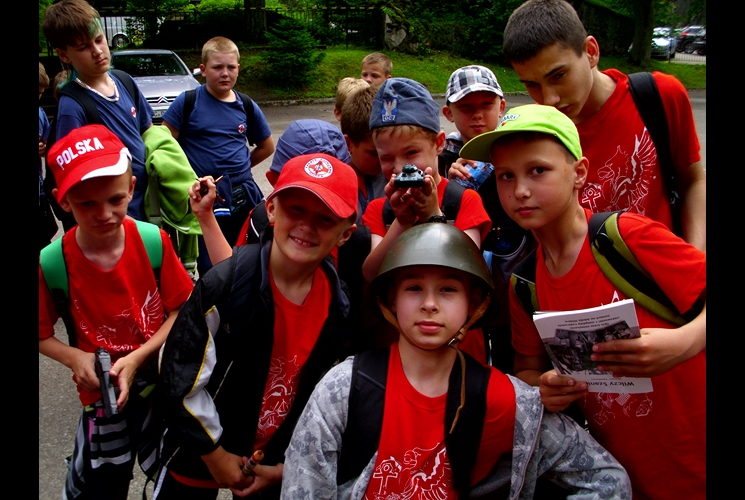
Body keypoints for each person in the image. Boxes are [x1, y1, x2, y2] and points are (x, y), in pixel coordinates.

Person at [459, 103, 706, 500]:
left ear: (579, 173)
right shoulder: (525, 284)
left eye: (538, 170)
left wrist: (683, 342)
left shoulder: (627, 238)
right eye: (506, 176)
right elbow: (527, 369)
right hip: (623, 474)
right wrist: (544, 387)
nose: (520, 190)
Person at [281, 222, 632, 499]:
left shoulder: (506, 399)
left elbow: (606, 478)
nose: (429, 304)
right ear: (391, 299)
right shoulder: (343, 389)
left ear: (474, 303)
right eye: (413, 288)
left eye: (448, 289)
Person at [155, 153, 359, 500]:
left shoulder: (337, 303)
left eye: (325, 219)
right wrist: (214, 454)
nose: (307, 226)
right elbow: (178, 373)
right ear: (272, 209)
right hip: (198, 452)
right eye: (296, 210)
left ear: (345, 234)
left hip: (269, 459)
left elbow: (317, 393)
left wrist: (287, 466)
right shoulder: (225, 284)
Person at [39, 124, 194, 500]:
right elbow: (41, 334)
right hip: (102, 398)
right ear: (62, 201)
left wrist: (139, 357)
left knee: (173, 476)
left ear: (132, 188)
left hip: (160, 386)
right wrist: (74, 357)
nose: (104, 214)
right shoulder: (52, 263)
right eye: (86, 204)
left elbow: (180, 309)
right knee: (102, 485)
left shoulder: (153, 242)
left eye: (115, 199)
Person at [502, 0, 706, 252]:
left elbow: (693, 181)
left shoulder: (658, 95)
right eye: (532, 85)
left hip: (669, 267)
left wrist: (696, 260)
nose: (549, 99)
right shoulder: (536, 129)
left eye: (558, 76)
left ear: (591, 51)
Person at [361, 77, 492, 361]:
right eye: (386, 158)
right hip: (398, 348)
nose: (399, 167)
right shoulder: (379, 209)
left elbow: (469, 271)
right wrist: (401, 223)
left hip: (460, 351)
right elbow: (371, 274)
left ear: (439, 144)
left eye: (411, 153)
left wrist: (434, 215)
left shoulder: (464, 201)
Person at [162, 36, 275, 276]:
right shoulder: (188, 102)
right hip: (205, 197)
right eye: (217, 67)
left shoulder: (246, 105)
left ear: (238, 68)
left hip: (243, 195)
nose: (225, 73)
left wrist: (239, 170)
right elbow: (165, 146)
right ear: (203, 70)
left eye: (231, 67)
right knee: (211, 265)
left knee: (249, 255)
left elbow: (267, 146)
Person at [42, 0, 154, 222]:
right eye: (83, 47)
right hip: (114, 220)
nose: (97, 51)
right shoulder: (72, 106)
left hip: (149, 209)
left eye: (99, 39)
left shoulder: (125, 81)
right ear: (64, 55)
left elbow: (148, 131)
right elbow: (75, 178)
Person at [39, 62, 58, 251]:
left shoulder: (40, 113)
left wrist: (44, 148)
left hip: (39, 193)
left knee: (46, 233)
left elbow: (47, 144)